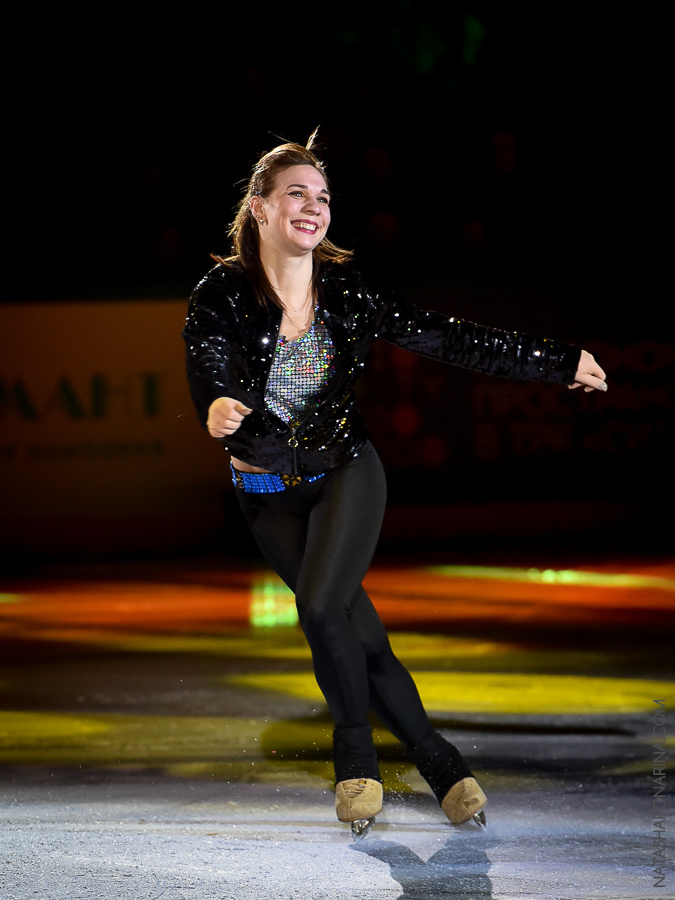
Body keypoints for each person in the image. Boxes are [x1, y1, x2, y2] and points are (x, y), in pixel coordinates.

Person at [182, 131, 607, 838]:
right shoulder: (220, 292)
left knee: (321, 610)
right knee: (361, 634)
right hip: (264, 495)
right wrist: (220, 407)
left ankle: (355, 765)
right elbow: (209, 365)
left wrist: (554, 358)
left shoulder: (346, 291)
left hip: (347, 470)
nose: (313, 207)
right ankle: (442, 766)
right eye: (296, 193)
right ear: (258, 208)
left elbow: (449, 336)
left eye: (321, 196)